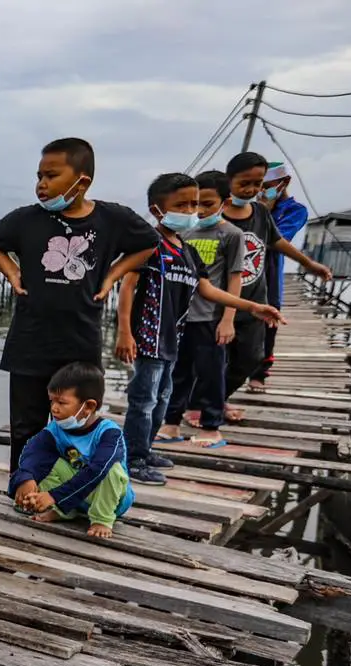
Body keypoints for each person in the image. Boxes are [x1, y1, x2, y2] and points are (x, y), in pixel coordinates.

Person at [0, 138, 159, 471]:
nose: (41, 184)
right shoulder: (26, 219)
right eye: (38, 176)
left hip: (80, 342)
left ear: (82, 181)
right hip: (29, 341)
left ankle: (72, 488)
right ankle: (24, 485)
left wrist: (113, 275)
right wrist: (12, 271)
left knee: (78, 423)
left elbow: (149, 242)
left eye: (51, 175)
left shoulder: (112, 219)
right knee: (26, 426)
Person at [115, 173, 284, 485]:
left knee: (163, 398)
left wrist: (251, 306)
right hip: (148, 338)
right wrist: (124, 332)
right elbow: (128, 286)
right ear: (157, 209)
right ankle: (132, 457)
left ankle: (145, 448)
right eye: (182, 204)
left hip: (172, 340)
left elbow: (206, 289)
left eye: (194, 203)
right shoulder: (148, 244)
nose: (191, 209)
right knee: (144, 400)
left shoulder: (186, 249)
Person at [220, 151, 331, 414]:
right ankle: (207, 402)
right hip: (223, 293)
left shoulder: (272, 211)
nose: (254, 190)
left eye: (261, 185)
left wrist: (308, 263)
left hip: (261, 286)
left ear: (283, 183)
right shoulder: (220, 213)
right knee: (215, 354)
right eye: (245, 184)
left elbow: (279, 240)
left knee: (253, 352)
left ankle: (229, 389)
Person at [157, 171, 244, 448]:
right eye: (195, 203)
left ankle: (211, 427)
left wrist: (228, 318)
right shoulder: (186, 232)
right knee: (177, 373)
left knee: (211, 373)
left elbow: (234, 277)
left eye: (207, 203)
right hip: (183, 317)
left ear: (224, 202)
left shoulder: (231, 234)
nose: (199, 210)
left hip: (211, 316)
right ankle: (171, 424)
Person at [9, 362, 133, 538]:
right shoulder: (55, 429)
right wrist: (26, 478)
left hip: (111, 499)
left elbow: (97, 471)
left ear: (88, 406)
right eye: (52, 400)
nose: (54, 408)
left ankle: (102, 519)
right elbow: (33, 453)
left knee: (111, 470)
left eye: (62, 402)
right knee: (43, 464)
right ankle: (66, 511)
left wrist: (54, 496)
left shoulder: (109, 433)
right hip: (72, 496)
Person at [247, 163, 310, 393]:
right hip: (245, 268)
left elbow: (278, 240)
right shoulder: (250, 207)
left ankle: (260, 373)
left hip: (271, 271)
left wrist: (265, 210)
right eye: (258, 186)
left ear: (284, 183)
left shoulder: (295, 210)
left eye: (267, 186)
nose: (261, 190)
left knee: (268, 323)